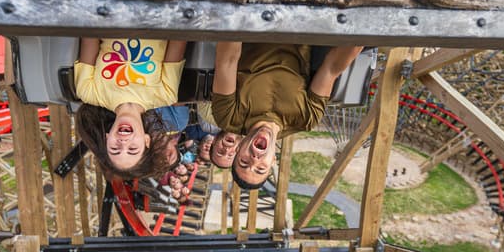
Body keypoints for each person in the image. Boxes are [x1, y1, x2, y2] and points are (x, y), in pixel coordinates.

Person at [212, 42, 363, 189]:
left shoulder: (228, 117)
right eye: (260, 168)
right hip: (299, 30)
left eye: (244, 162)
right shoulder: (305, 119)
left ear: (238, 149)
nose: (254, 159)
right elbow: (332, 68)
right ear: (272, 160)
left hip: (255, 27)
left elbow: (227, 60)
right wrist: (363, 35)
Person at [74, 38, 187, 180]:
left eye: (115, 149)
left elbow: (89, 35)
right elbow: (178, 38)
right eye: (132, 149)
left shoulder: (88, 92)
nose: (123, 143)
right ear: (146, 141)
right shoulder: (167, 94)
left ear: (107, 138)